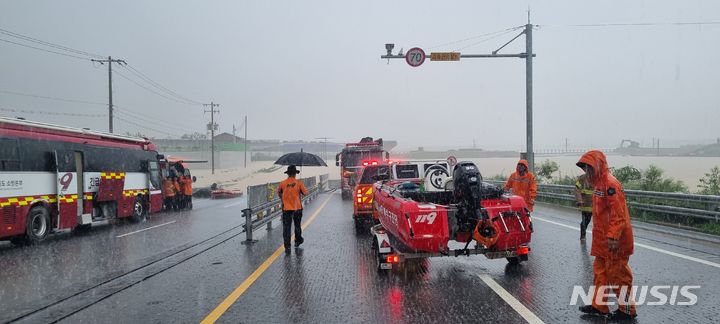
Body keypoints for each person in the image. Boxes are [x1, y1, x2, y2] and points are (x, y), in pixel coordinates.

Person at [576, 150, 637, 320]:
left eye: (588, 168)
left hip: (615, 241)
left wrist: (613, 237)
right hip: (603, 240)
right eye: (585, 168)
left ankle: (626, 310)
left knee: (619, 276)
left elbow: (618, 214)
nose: (586, 172)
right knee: (600, 274)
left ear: (596, 167)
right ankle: (599, 306)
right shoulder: (599, 184)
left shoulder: (610, 184)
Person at [277, 165, 309, 253]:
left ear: (288, 174)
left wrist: (284, 199)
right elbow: (306, 193)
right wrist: (300, 189)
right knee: (297, 225)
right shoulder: (299, 183)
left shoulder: (282, 183)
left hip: (286, 209)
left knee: (287, 227)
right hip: (297, 208)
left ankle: (287, 246)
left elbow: (279, 193)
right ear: (295, 174)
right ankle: (298, 241)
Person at [575, 173, 593, 241]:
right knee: (586, 220)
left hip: (595, 204)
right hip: (585, 204)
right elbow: (577, 189)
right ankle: (583, 236)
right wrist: (579, 200)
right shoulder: (582, 178)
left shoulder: (597, 178)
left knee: (592, 221)